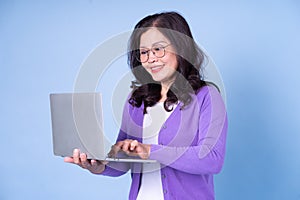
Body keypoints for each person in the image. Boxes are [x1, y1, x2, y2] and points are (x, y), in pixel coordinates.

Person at [64, 11, 228, 200]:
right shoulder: (137, 100)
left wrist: (150, 150)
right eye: (144, 52)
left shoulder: (206, 97)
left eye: (158, 49)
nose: (150, 59)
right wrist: (99, 166)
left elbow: (212, 159)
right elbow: (125, 160)